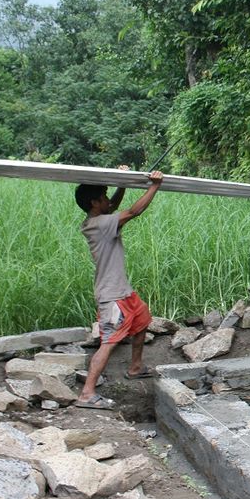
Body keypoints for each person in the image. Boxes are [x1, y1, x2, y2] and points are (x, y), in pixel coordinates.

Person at [73, 170, 164, 409]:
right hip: (111, 297)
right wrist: (155, 186)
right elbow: (134, 212)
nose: (108, 200)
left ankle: (135, 368)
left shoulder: (99, 219)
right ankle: (87, 393)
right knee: (109, 342)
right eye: (103, 196)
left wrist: (121, 185)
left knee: (142, 320)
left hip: (124, 292)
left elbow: (112, 206)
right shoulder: (100, 224)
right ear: (94, 203)